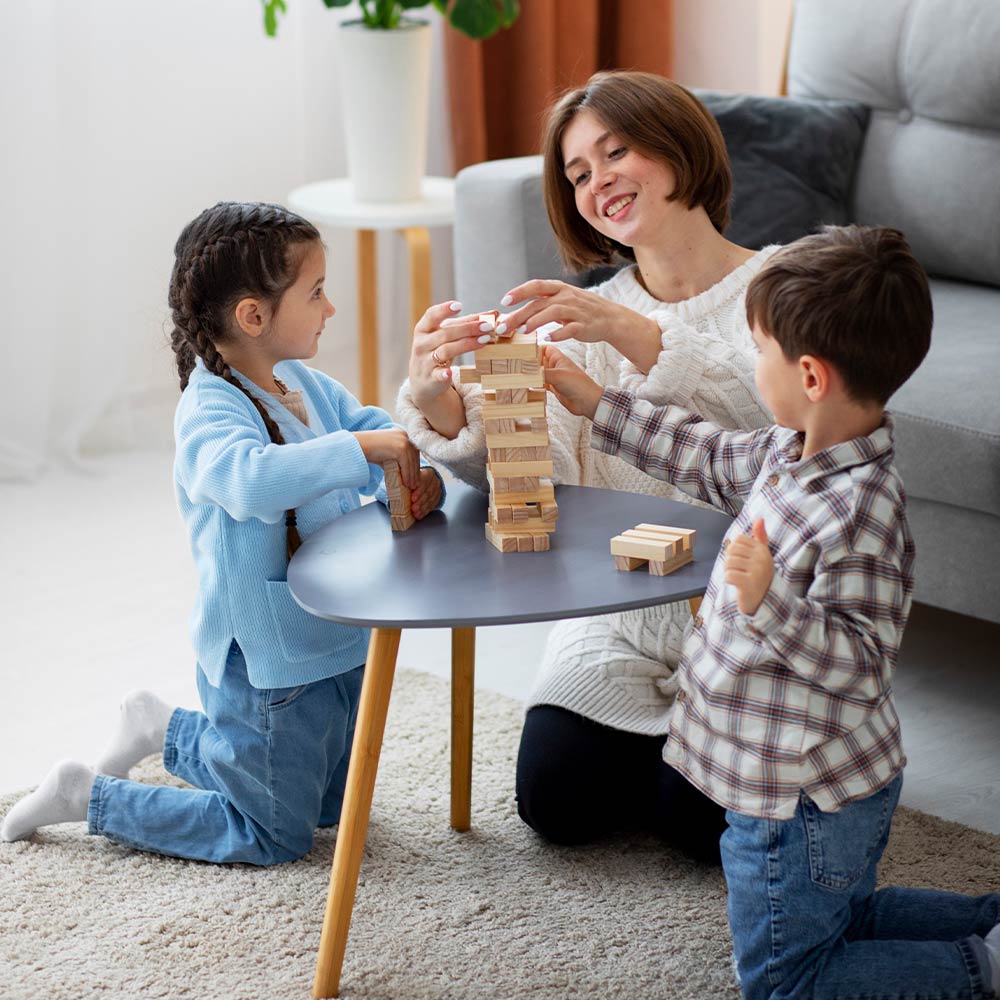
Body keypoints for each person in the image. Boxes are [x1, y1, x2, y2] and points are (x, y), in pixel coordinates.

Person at [542, 223, 1000, 999]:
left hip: (803, 801)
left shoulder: (860, 513)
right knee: (842, 920)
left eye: (760, 352)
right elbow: (705, 452)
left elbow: (858, 668)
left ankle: (979, 968)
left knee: (786, 983)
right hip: (778, 783)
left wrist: (771, 602)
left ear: (812, 375)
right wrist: (597, 405)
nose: (755, 367)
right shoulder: (788, 449)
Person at [398, 70, 777, 859]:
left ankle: (730, 748)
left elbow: (780, 432)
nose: (597, 182)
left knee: (699, 828)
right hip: (624, 619)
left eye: (616, 153)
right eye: (577, 174)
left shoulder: (785, 283)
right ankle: (693, 750)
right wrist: (441, 405)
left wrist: (636, 333)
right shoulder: (585, 317)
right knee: (554, 804)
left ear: (678, 149)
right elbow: (543, 480)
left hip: (750, 623)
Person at [1, 201, 443, 864]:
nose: (331, 309)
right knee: (270, 832)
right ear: (253, 316)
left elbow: (373, 423)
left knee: (331, 803)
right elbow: (249, 480)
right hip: (272, 655)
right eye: (317, 293)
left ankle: (162, 728)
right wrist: (361, 450)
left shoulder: (300, 382)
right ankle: (84, 796)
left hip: (340, 633)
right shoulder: (209, 412)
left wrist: (415, 465)